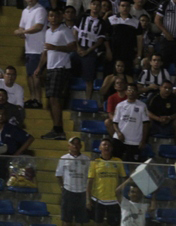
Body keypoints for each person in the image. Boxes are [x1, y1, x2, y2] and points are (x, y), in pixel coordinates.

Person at [36, 8, 77, 141]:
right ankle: (56, 128)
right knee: (51, 99)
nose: (53, 18)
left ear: (61, 17)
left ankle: (59, 129)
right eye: (51, 16)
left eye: (56, 15)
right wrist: (39, 68)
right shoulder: (48, 32)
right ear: (48, 18)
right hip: (51, 67)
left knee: (54, 98)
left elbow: (72, 47)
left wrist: (56, 48)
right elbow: (46, 52)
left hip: (61, 67)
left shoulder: (65, 30)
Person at [87, 138, 126, 226]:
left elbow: (123, 179)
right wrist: (88, 199)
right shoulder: (95, 163)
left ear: (112, 148)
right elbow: (89, 182)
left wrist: (120, 195)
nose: (106, 147)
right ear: (99, 148)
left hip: (113, 200)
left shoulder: (118, 161)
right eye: (104, 144)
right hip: (98, 199)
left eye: (108, 145)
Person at [56, 137, 90, 226]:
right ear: (68, 146)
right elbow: (59, 175)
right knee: (67, 219)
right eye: (73, 144)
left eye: (77, 144)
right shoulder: (63, 158)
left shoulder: (86, 159)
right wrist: (63, 188)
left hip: (82, 191)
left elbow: (90, 177)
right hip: (68, 191)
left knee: (80, 220)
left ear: (81, 146)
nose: (75, 146)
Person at [16, 0, 48, 109]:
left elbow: (39, 26)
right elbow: (22, 27)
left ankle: (38, 100)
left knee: (35, 75)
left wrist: (23, 32)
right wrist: (21, 32)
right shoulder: (25, 11)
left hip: (38, 48)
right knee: (30, 75)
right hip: (29, 48)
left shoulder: (40, 10)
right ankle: (33, 98)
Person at [74, 0, 107, 101]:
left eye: (98, 5)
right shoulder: (82, 17)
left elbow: (100, 40)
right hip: (78, 48)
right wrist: (78, 47)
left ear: (100, 7)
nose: (95, 7)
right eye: (94, 4)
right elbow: (75, 32)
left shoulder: (102, 22)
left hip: (91, 52)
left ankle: (87, 101)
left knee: (89, 79)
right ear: (90, 5)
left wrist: (88, 51)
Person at [112, 84, 149, 161]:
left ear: (137, 92)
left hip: (134, 141)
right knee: (116, 161)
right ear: (126, 92)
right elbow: (115, 122)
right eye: (129, 90)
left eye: (133, 90)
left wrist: (143, 140)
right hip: (120, 139)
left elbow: (146, 124)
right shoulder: (120, 105)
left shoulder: (142, 106)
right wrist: (118, 133)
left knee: (132, 165)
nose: (131, 92)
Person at [108, 0, 142, 73]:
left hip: (128, 55)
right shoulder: (111, 20)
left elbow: (139, 40)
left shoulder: (136, 22)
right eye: (123, 6)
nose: (125, 8)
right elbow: (106, 37)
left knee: (128, 76)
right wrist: (108, 51)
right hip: (113, 53)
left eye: (127, 6)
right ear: (118, 7)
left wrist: (138, 56)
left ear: (130, 7)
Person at [147, 79, 176, 145]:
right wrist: (158, 119)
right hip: (156, 123)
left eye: (169, 88)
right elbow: (147, 112)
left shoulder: (173, 98)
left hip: (168, 124)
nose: (167, 90)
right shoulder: (154, 97)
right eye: (165, 87)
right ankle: (145, 144)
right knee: (147, 120)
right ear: (160, 88)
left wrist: (169, 118)